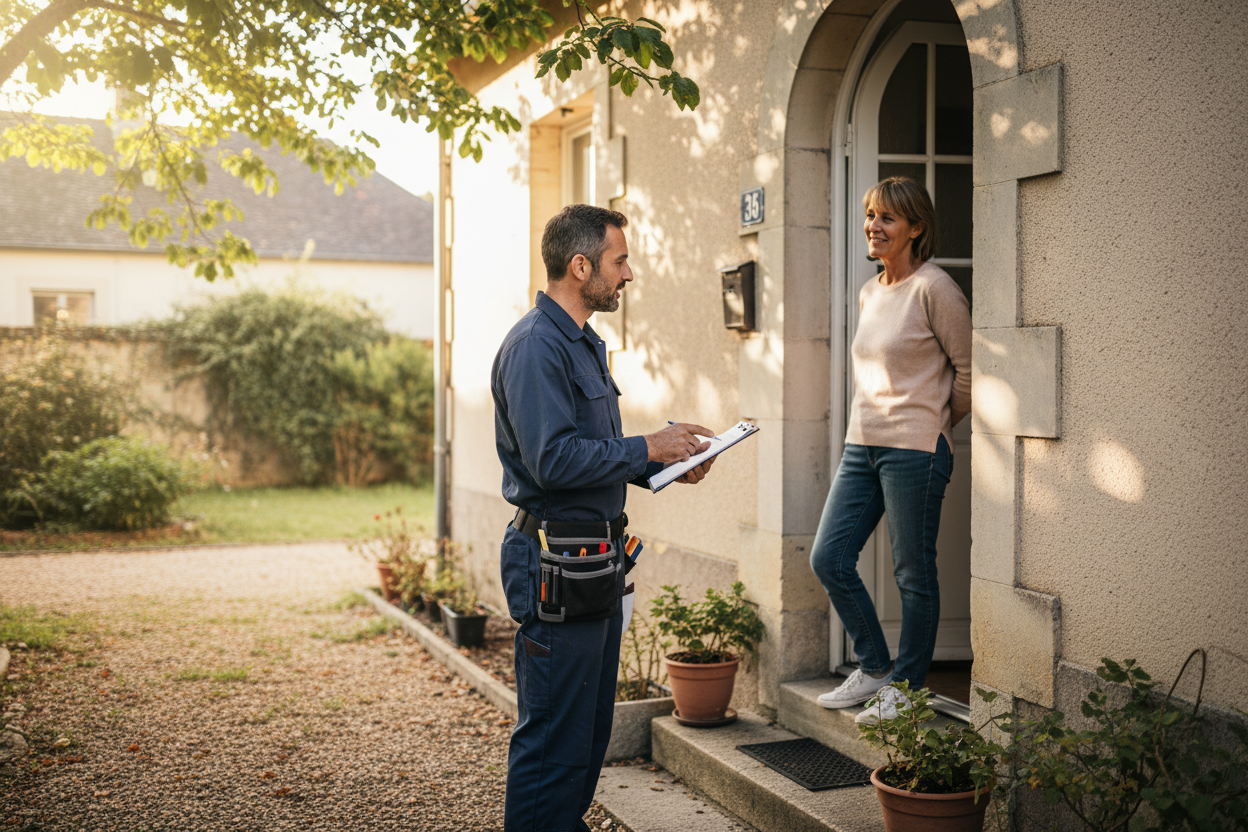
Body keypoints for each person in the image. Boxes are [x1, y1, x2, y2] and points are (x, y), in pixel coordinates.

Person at [492, 203, 717, 831]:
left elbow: (591, 452)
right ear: (580, 265)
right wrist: (647, 446)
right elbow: (553, 462)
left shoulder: (584, 343)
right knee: (554, 740)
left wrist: (663, 463)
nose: (629, 274)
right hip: (556, 567)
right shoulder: (536, 347)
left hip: (593, 562)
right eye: (620, 261)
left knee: (587, 735)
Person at [809, 176, 971, 725]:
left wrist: (934, 424)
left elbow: (969, 371)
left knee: (913, 574)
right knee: (829, 557)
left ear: (916, 228)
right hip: (862, 445)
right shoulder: (870, 291)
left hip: (916, 450)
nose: (873, 226)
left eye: (887, 218)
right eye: (870, 215)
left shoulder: (935, 289)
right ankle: (876, 667)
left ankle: (908, 687)